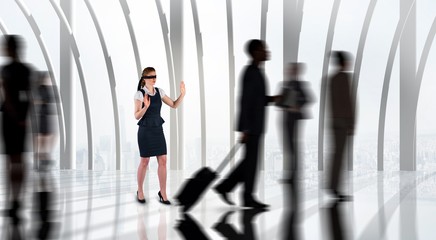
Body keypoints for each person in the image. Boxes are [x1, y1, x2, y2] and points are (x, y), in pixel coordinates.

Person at [214, 39, 277, 209]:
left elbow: (257, 100)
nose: (267, 51)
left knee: (249, 162)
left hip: (255, 126)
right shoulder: (251, 72)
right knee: (251, 162)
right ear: (256, 52)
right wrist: (246, 128)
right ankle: (246, 196)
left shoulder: (255, 71)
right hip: (252, 127)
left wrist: (273, 99)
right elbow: (245, 101)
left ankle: (225, 187)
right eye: (264, 49)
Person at [134, 67, 185, 204]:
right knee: (145, 162)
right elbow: (136, 116)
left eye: (155, 76)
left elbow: (174, 105)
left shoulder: (159, 92)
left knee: (163, 160)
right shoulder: (139, 94)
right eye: (151, 76)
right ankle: (140, 190)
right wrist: (145, 107)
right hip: (145, 130)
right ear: (145, 79)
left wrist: (182, 94)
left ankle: (162, 192)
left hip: (157, 130)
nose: (154, 78)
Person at [0, 35, 32, 234]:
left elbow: (6, 96)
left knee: (12, 162)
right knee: (18, 161)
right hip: (20, 119)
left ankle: (14, 200)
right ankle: (16, 200)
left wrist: (14, 114)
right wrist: (23, 117)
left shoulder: (6, 70)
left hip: (11, 120)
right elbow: (28, 95)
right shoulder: (26, 71)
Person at [326, 51, 355, 201]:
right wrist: (352, 123)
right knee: (340, 155)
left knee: (335, 155)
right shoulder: (344, 78)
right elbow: (349, 102)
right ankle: (334, 187)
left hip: (334, 121)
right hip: (343, 122)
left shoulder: (332, 79)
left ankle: (332, 185)